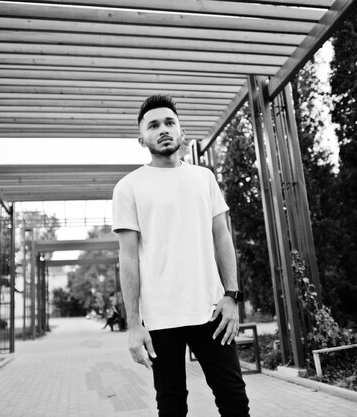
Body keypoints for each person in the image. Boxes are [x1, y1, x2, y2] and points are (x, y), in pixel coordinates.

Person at [112, 94, 250, 417]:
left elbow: (222, 237)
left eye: (170, 122)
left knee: (234, 402)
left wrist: (232, 295)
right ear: (141, 138)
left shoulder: (204, 178)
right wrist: (134, 325)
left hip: (212, 313)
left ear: (181, 131)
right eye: (154, 125)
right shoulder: (128, 187)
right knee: (171, 407)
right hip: (160, 320)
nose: (163, 129)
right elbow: (128, 259)